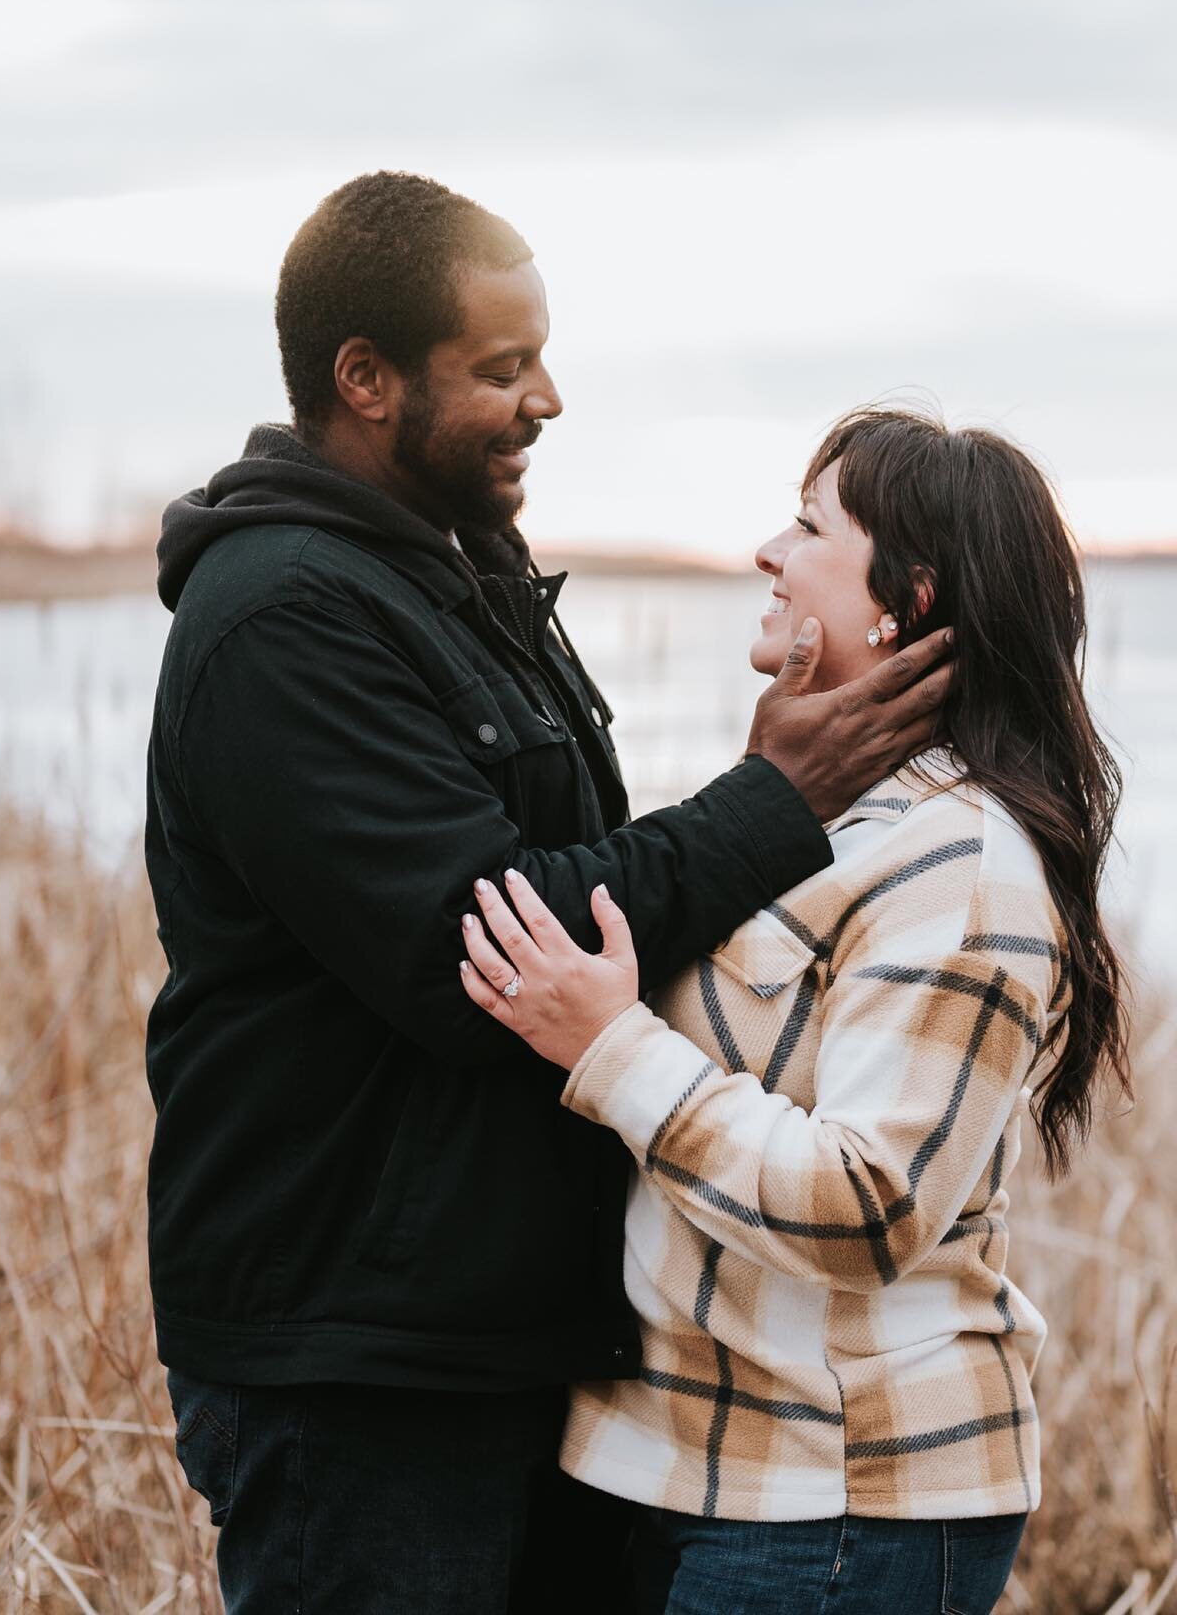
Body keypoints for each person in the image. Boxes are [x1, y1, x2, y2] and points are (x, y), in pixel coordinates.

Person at [143, 176, 953, 1612]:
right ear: (367, 381)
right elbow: (492, 947)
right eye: (504, 370)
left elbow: (586, 886)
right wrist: (777, 799)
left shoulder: (462, 576)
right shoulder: (282, 616)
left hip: (506, 1340)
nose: (550, 400)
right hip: (361, 1371)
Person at [459, 407, 1129, 1615]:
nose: (769, 551)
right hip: (686, 1468)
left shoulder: (958, 864)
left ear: (904, 600)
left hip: (844, 1495)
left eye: (810, 526)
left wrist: (613, 1049)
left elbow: (869, 1207)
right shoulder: (806, 822)